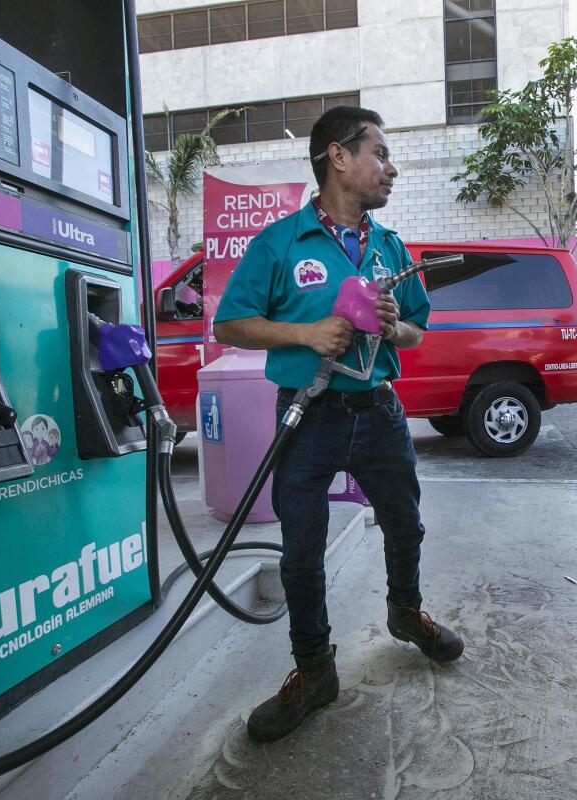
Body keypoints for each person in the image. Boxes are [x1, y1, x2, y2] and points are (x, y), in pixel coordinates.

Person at [213, 106, 463, 743]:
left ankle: (405, 613)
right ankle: (314, 670)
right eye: (380, 153)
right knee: (301, 552)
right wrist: (306, 332)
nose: (392, 168)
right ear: (338, 156)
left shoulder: (388, 246)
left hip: (377, 411)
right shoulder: (280, 242)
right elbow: (230, 324)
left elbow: (414, 329)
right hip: (308, 413)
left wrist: (390, 325)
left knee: (405, 522)